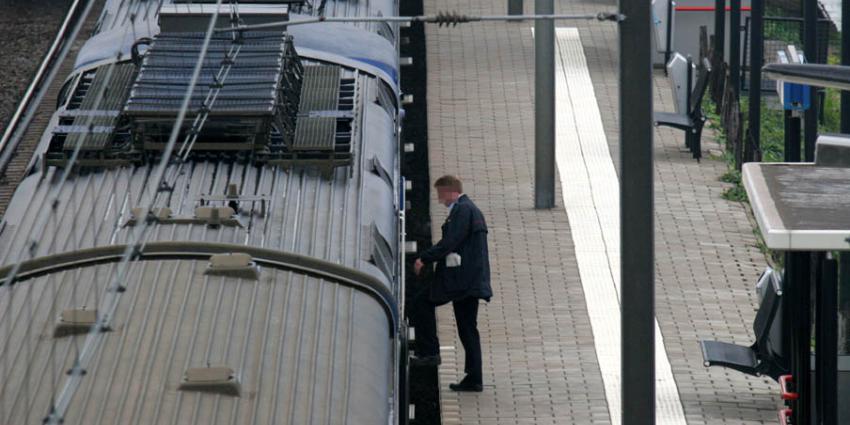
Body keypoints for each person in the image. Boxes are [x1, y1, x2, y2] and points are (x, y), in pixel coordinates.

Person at [413, 175, 492, 392]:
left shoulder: (464, 210)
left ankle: (429, 352)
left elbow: (450, 242)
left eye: (440, 195)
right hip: (467, 280)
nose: (439, 200)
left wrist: (424, 258)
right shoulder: (467, 210)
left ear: (451, 191)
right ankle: (474, 378)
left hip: (462, 281)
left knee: (422, 302)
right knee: (467, 329)